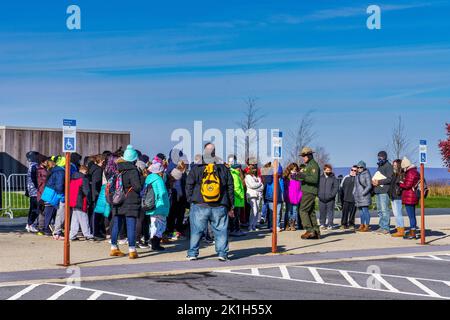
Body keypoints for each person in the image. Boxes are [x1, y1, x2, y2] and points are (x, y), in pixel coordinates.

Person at [185, 143, 234, 261]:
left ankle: (193, 253)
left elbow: (189, 185)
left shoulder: (196, 167)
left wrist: (191, 199)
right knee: (221, 230)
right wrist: (230, 204)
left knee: (196, 230)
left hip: (199, 203)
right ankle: (222, 253)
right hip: (220, 204)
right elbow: (230, 187)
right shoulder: (223, 167)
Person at [109, 145, 144, 259]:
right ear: (134, 159)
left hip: (118, 200)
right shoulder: (133, 171)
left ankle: (114, 248)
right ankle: (132, 250)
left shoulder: (118, 169)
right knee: (130, 225)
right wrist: (142, 179)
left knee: (116, 224)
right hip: (131, 200)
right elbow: (137, 187)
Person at [144, 159, 171, 251]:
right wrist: (166, 203)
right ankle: (156, 244)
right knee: (161, 224)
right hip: (160, 205)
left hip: (150, 205)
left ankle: (152, 243)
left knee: (153, 224)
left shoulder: (148, 178)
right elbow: (162, 192)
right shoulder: (159, 180)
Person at [294, 147, 320, 240]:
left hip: (309, 191)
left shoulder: (313, 165)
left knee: (303, 210)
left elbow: (314, 179)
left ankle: (309, 230)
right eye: (302, 156)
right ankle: (316, 232)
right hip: (308, 190)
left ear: (309, 155)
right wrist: (296, 176)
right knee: (310, 212)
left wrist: (303, 176)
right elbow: (304, 177)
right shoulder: (308, 165)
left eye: (304, 156)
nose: (303, 157)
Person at [69, 165, 94, 241]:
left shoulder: (72, 178)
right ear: (85, 171)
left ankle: (72, 235)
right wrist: (90, 201)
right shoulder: (84, 179)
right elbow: (87, 191)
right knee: (84, 218)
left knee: (75, 219)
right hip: (81, 200)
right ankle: (87, 234)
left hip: (73, 200)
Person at [372, 151, 394, 235]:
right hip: (378, 191)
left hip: (384, 191)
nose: (379, 159)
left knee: (385, 210)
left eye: (381, 157)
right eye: (378, 157)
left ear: (384, 157)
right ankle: (381, 226)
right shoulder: (380, 166)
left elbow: (390, 179)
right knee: (379, 210)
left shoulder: (388, 166)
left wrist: (379, 182)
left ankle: (386, 227)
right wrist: (374, 182)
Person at [166, 161, 188, 240]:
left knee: (175, 215)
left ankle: (173, 231)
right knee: (175, 215)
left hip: (177, 196)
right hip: (177, 196)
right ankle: (173, 231)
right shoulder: (177, 173)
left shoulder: (171, 167)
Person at [399, 157, 420, 240]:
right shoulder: (415, 172)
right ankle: (413, 231)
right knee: (413, 215)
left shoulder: (410, 173)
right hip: (413, 196)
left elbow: (407, 185)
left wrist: (400, 184)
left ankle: (412, 233)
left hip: (410, 197)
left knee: (411, 216)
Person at [227, 155, 246, 237]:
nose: (240, 169)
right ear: (236, 168)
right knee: (234, 216)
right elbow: (234, 188)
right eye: (238, 167)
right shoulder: (234, 175)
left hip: (239, 199)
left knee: (237, 216)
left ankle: (237, 229)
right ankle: (233, 230)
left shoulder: (237, 175)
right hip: (236, 199)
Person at [263, 163, 284, 232]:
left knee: (277, 213)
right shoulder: (269, 177)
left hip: (279, 198)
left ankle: (277, 225)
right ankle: (271, 226)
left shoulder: (281, 179)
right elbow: (267, 183)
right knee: (272, 213)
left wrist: (283, 196)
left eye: (280, 173)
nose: (278, 174)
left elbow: (282, 188)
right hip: (271, 197)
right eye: (278, 173)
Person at [318, 164, 339, 231]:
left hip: (330, 199)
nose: (328, 171)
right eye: (327, 170)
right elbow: (317, 187)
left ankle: (330, 224)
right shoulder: (320, 178)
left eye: (329, 170)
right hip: (321, 198)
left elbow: (336, 188)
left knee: (330, 212)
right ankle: (322, 224)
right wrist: (319, 195)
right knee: (322, 212)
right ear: (324, 170)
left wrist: (331, 196)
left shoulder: (333, 178)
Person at [89, 154, 106, 239]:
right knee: (96, 214)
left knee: (94, 214)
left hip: (93, 194)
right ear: (102, 161)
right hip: (96, 194)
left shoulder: (92, 168)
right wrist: (97, 194)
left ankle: (94, 231)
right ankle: (95, 232)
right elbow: (96, 183)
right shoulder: (98, 170)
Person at [353, 161, 373, 232]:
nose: (359, 168)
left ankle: (367, 226)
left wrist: (363, 193)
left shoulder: (366, 174)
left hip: (365, 196)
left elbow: (369, 186)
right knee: (361, 211)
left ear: (364, 167)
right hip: (358, 196)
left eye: (361, 167)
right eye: (358, 167)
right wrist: (354, 193)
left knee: (365, 211)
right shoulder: (357, 175)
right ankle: (362, 225)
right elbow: (355, 186)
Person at [283, 163, 303, 231]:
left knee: (294, 212)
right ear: (290, 169)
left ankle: (293, 225)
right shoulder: (287, 177)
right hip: (288, 197)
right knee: (288, 211)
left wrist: (300, 195)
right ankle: (286, 225)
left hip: (296, 197)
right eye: (293, 169)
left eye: (296, 169)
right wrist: (285, 195)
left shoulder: (298, 177)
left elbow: (301, 188)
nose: (295, 170)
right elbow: (285, 187)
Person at [245, 163, 264, 231]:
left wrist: (258, 186)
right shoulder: (248, 177)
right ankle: (250, 226)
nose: (254, 170)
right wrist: (259, 184)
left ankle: (254, 225)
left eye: (255, 169)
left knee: (257, 211)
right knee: (254, 211)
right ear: (250, 169)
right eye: (253, 169)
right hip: (251, 195)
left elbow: (262, 187)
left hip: (258, 195)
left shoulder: (257, 177)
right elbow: (251, 185)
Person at [390, 159, 405, 237]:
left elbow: (401, 186)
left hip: (398, 196)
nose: (394, 166)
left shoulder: (401, 175)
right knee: (395, 214)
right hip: (393, 196)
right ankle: (399, 228)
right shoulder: (394, 174)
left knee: (398, 213)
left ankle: (401, 230)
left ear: (399, 165)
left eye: (395, 165)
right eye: (393, 165)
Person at [25, 151, 40, 233]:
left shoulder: (31, 166)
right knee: (36, 209)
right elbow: (35, 178)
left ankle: (29, 224)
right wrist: (38, 187)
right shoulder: (34, 166)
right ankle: (31, 224)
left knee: (32, 208)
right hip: (35, 191)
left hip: (31, 190)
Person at [339, 166, 358, 230]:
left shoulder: (358, 178)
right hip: (345, 199)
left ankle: (351, 224)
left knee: (352, 213)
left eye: (355, 170)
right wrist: (341, 198)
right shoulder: (346, 177)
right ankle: (343, 224)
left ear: (357, 171)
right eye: (352, 170)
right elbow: (341, 188)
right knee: (344, 213)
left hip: (354, 199)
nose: (353, 171)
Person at [36, 154, 50, 235]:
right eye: (46, 161)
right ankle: (42, 228)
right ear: (42, 162)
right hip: (42, 192)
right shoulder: (41, 170)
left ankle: (42, 227)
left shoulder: (43, 169)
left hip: (42, 192)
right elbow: (43, 181)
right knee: (42, 210)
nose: (47, 162)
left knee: (43, 210)